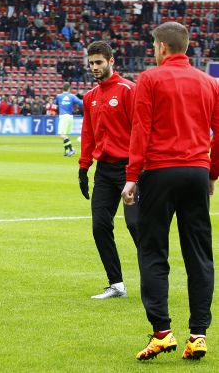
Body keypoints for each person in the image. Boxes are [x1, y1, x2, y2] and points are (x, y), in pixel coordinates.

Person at [121, 22, 219, 361]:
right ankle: (199, 335)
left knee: (153, 252)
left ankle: (162, 333)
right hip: (195, 171)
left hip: (160, 172)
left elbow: (141, 128)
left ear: (162, 47)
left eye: (153, 45)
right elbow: (218, 133)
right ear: (186, 46)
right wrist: (212, 172)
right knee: (199, 254)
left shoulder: (149, 78)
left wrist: (132, 175)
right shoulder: (209, 83)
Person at [78, 41, 139, 300]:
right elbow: (88, 134)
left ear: (111, 61)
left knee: (137, 226)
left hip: (130, 169)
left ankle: (155, 279)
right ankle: (116, 284)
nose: (94, 67)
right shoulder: (90, 97)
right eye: (91, 63)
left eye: (99, 62)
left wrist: (137, 170)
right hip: (103, 171)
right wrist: (83, 167)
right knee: (100, 226)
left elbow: (141, 131)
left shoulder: (129, 90)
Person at [55, 83, 83, 156]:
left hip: (63, 116)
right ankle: (66, 151)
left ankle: (71, 149)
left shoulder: (59, 96)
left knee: (61, 135)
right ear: (69, 89)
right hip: (70, 117)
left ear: (62, 89)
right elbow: (81, 103)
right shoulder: (72, 96)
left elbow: (56, 104)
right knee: (65, 134)